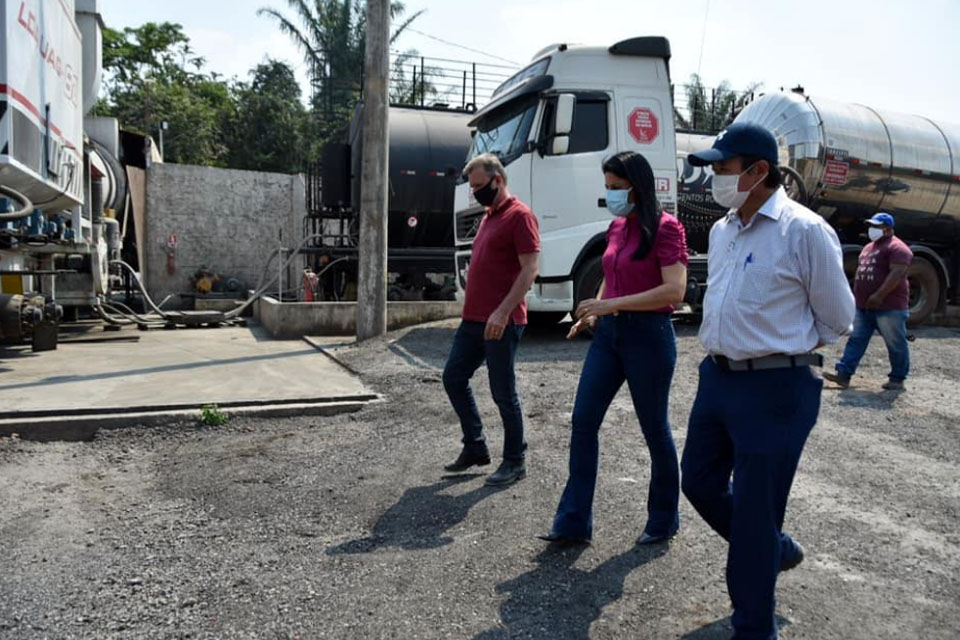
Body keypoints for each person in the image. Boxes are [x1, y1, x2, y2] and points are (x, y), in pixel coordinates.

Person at [681, 123, 855, 640]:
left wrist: (785, 345)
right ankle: (772, 549)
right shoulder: (723, 230)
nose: (714, 177)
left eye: (723, 167)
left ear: (759, 171)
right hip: (717, 378)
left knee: (755, 512)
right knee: (698, 482)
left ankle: (754, 627)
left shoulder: (803, 231)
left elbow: (838, 318)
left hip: (777, 387)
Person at [539, 151, 688, 546]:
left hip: (649, 337)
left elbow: (674, 290)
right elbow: (611, 275)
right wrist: (594, 314)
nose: (611, 195)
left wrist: (611, 305)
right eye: (607, 187)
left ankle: (663, 520)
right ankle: (572, 523)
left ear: (638, 188)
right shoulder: (617, 227)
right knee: (583, 421)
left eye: (617, 187)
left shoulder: (667, 228)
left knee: (654, 429)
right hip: (609, 336)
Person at [442, 153, 540, 486]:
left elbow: (530, 270)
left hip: (502, 321)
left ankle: (515, 460)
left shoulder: (520, 216)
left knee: (503, 392)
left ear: (498, 180)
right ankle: (475, 446)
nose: (475, 193)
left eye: (480, 186)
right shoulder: (488, 216)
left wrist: (502, 311)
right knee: (454, 377)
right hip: (474, 319)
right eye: (472, 187)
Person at [822, 212, 912, 391]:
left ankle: (897, 378)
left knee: (895, 342)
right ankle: (844, 374)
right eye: (871, 226)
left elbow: (897, 273)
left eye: (877, 226)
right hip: (864, 306)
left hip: (889, 307)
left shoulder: (898, 248)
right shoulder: (869, 247)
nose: (872, 229)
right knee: (856, 339)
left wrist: (879, 295)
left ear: (888, 229)